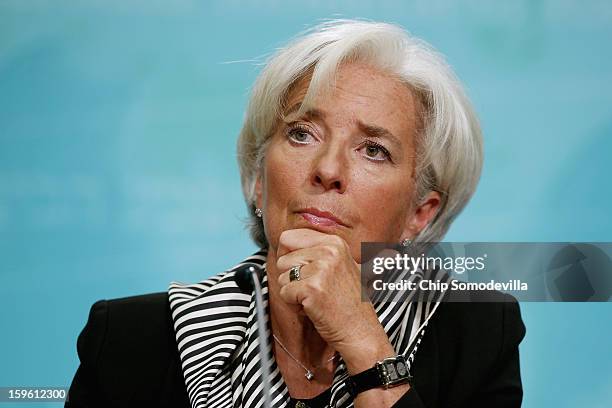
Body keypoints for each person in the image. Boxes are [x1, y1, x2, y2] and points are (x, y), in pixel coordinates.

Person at [66, 19, 525, 408]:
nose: (328, 170)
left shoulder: (477, 336)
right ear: (259, 179)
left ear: (419, 214)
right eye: (302, 134)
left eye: (373, 150)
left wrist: (363, 340)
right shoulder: (130, 340)